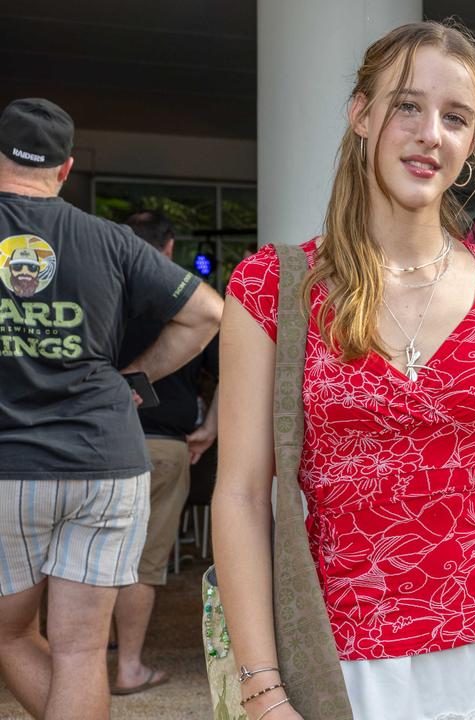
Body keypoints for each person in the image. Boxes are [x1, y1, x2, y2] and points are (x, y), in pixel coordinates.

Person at [213, 22, 475, 720]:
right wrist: (261, 687)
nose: (429, 134)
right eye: (407, 106)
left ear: (474, 143)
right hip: (346, 648)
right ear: (362, 115)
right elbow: (237, 496)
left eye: (455, 117)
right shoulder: (272, 286)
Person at [0, 98, 222, 720]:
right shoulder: (109, 240)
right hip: (106, 460)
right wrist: (134, 377)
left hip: (11, 465)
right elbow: (208, 311)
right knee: (79, 650)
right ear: (66, 168)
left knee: (11, 635)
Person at [108, 209, 220, 696]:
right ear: (170, 247)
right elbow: (228, 369)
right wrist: (210, 430)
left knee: (92, 556)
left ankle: (91, 652)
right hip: (165, 444)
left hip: (98, 439)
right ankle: (128, 666)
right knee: (144, 563)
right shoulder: (185, 296)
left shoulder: (103, 288)